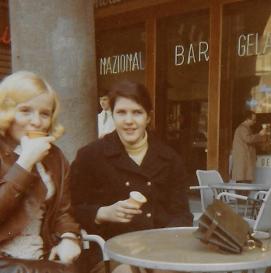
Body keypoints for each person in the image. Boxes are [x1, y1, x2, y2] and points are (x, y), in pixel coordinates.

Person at [70, 80, 193, 273]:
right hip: (107, 253)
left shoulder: (170, 158)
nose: (129, 121)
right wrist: (102, 213)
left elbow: (182, 214)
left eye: (137, 112)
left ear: (148, 117)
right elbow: (70, 208)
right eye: (121, 112)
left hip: (161, 253)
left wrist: (165, 243)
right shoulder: (90, 156)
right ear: (112, 114)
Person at [0, 71, 81, 272]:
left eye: (44, 113)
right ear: (6, 112)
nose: (36, 122)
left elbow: (63, 211)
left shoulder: (55, 157)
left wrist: (69, 237)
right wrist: (25, 163)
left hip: (42, 258)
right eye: (25, 110)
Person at [231, 110, 266, 183]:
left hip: (244, 160)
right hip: (244, 160)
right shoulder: (243, 128)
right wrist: (260, 135)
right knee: (243, 182)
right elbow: (248, 139)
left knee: (244, 180)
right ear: (247, 119)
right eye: (253, 120)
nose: (255, 122)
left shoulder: (245, 128)